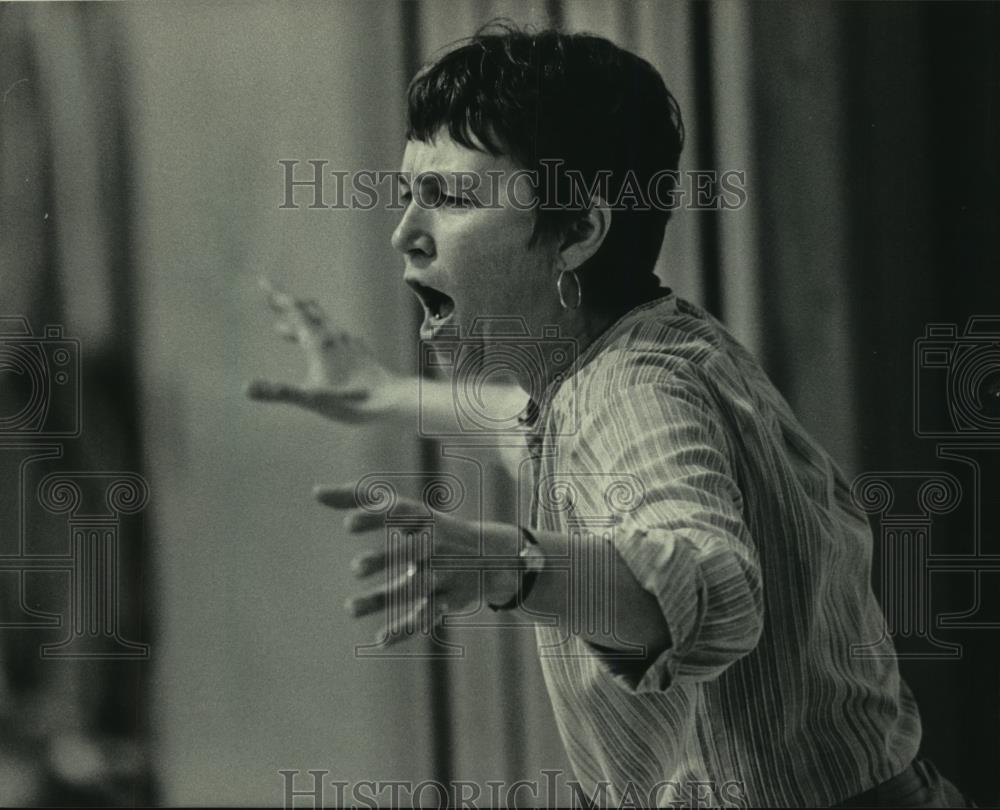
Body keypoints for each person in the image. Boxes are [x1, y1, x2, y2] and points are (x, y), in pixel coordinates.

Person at [248, 25, 972, 808]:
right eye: (408, 195)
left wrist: (510, 568)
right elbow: (516, 424)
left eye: (450, 198)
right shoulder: (629, 355)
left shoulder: (634, 392)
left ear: (579, 232)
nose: (405, 235)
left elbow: (713, 588)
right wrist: (378, 392)